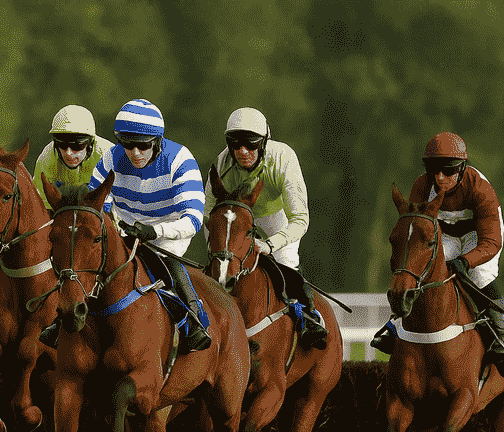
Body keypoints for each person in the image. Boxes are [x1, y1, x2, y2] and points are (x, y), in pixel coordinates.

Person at [41, 98, 210, 354]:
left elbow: (193, 219)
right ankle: (63, 318)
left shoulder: (180, 159)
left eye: (142, 146)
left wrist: (155, 231)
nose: (135, 153)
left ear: (157, 141)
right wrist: (115, 226)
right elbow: (99, 203)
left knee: (165, 263)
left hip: (168, 231)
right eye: (127, 145)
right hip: (125, 229)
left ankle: (194, 320)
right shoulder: (111, 157)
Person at [370, 131, 504, 376]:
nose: (440, 178)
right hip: (443, 234)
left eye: (448, 171)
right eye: (434, 171)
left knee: (480, 277)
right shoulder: (422, 185)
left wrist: (466, 261)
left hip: (479, 238)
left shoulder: (481, 190)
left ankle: (499, 337)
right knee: (423, 273)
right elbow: (417, 229)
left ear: (462, 167)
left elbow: (492, 241)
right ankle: (395, 324)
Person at [204, 107, 328, 350]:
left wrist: (270, 245)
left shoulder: (284, 158)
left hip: (275, 220)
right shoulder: (221, 164)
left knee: (286, 261)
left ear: (264, 142)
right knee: (219, 268)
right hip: (237, 222)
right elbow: (207, 214)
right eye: (235, 144)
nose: (242, 152)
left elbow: (300, 219)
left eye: (251, 144)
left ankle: (309, 318)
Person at [31, 105, 114, 216]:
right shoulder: (46, 159)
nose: (68, 153)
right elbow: (39, 203)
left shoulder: (109, 156)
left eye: (77, 147)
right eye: (62, 145)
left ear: (90, 144)